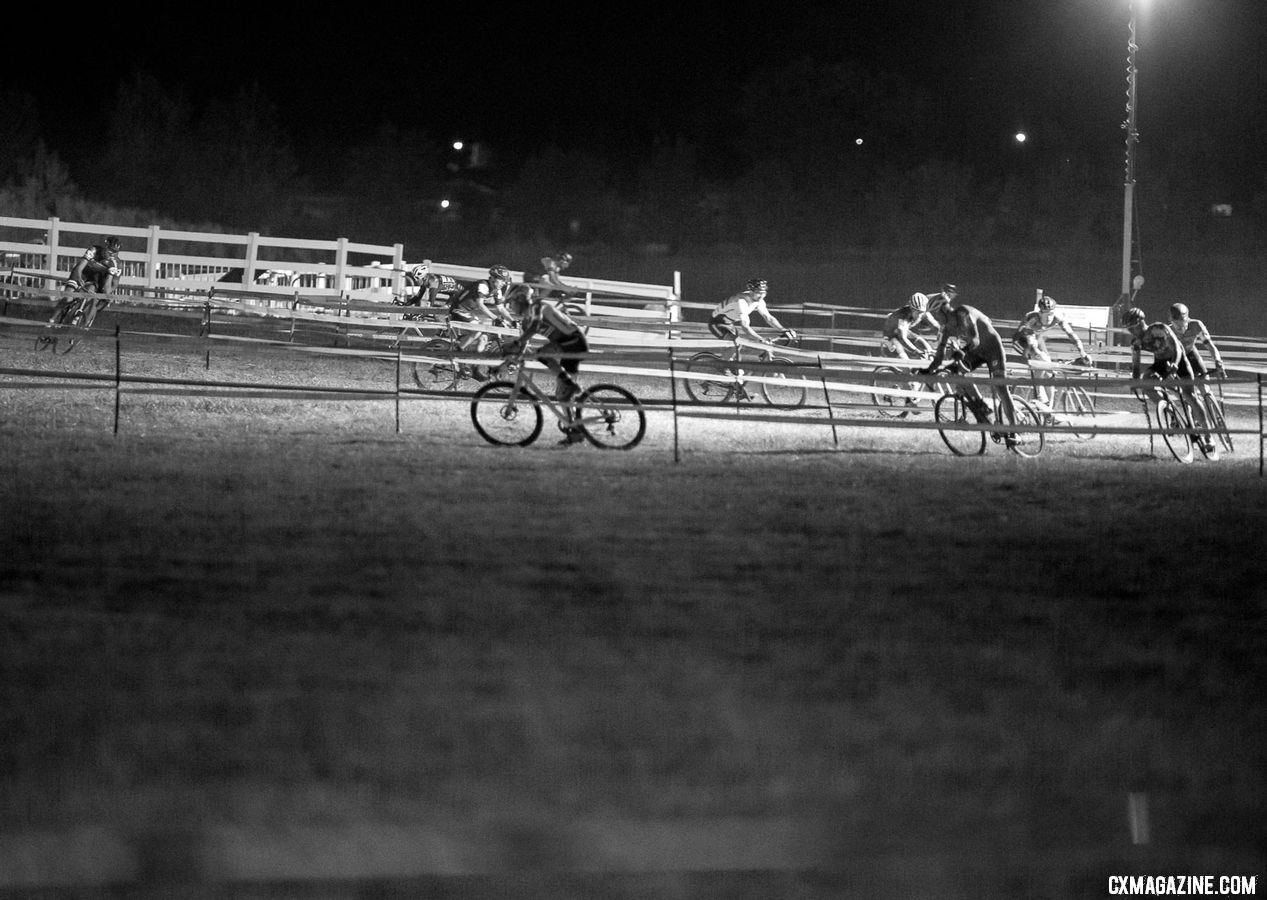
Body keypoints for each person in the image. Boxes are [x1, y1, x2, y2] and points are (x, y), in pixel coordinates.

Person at [922, 293, 1020, 447]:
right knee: (955, 371)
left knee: (1000, 388)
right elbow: (939, 357)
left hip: (992, 348)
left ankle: (1015, 432)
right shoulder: (946, 328)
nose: (935, 317)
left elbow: (975, 340)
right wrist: (927, 371)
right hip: (975, 352)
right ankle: (982, 406)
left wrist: (962, 351)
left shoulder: (963, 313)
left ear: (944, 309)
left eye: (935, 313)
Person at [1122, 306, 1216, 456]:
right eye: (1128, 329)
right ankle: (1171, 413)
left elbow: (1178, 349)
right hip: (1161, 363)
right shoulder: (1136, 342)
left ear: (1141, 322)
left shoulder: (1159, 328)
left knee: (1190, 396)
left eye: (1133, 327)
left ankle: (1208, 437)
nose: (1131, 331)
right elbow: (1136, 364)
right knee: (1146, 381)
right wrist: (1134, 382)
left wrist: (1176, 364)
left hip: (1179, 360)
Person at [503, 287, 591, 445]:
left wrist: (517, 342)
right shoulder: (525, 320)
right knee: (561, 395)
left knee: (542, 355)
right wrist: (505, 364)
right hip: (564, 345)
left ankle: (570, 386)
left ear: (521, 299)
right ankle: (574, 432)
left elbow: (535, 327)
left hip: (574, 341)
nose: (510, 307)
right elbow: (523, 346)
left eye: (511, 303)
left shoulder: (539, 306)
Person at [1010, 291, 1092, 410]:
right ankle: (1041, 398)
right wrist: (1038, 355)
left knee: (1050, 372)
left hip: (1037, 339)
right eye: (1045, 314)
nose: (1049, 317)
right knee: (1042, 359)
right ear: (1040, 313)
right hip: (1022, 341)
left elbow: (1071, 334)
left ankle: (1050, 409)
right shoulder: (1032, 318)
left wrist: (1083, 352)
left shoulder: (1058, 318)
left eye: (1051, 313)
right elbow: (1029, 341)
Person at [447, 265, 513, 366]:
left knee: (483, 337)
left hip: (468, 311)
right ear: (493, 278)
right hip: (458, 309)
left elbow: (501, 308)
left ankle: (475, 365)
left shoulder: (496, 290)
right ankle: (455, 353)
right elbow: (480, 305)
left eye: (505, 281)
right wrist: (495, 318)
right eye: (502, 280)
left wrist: (513, 321)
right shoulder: (483, 285)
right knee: (477, 330)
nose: (504, 283)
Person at [54, 235, 122, 324]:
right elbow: (80, 267)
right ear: (105, 247)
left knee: (94, 302)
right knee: (68, 298)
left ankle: (84, 326)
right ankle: (52, 318)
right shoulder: (94, 250)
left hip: (96, 279)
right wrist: (78, 278)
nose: (112, 254)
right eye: (110, 250)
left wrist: (107, 295)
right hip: (82, 274)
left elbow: (113, 285)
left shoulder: (116, 264)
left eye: (115, 252)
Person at [709, 278, 796, 346]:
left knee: (737, 345)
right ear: (751, 291)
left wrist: (783, 329)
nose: (761, 295)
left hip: (729, 323)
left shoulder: (759, 300)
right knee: (737, 344)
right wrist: (760, 339)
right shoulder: (741, 302)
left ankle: (732, 366)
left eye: (763, 292)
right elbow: (745, 327)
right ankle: (723, 366)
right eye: (758, 292)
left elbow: (768, 317)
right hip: (717, 323)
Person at [1168, 302, 1226, 380]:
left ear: (1187, 319)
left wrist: (1218, 361)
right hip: (1176, 358)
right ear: (1171, 322)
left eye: (1183, 325)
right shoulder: (1167, 331)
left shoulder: (1196, 325)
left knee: (1204, 380)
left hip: (1190, 353)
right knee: (1185, 385)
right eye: (1178, 327)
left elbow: (1210, 346)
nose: (1182, 330)